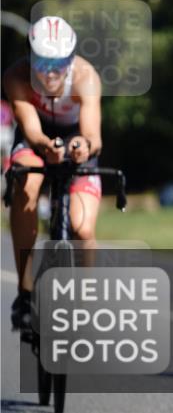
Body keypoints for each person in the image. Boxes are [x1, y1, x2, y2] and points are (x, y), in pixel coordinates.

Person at [2, 16, 104, 330]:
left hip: (77, 138)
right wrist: (47, 146)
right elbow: (31, 129)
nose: (50, 72)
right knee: (27, 184)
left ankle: (84, 301)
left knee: (82, 228)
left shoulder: (86, 76)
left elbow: (93, 135)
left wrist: (82, 147)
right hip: (36, 137)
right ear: (30, 58)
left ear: (71, 59)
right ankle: (25, 291)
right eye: (42, 63)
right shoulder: (16, 76)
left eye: (59, 63)